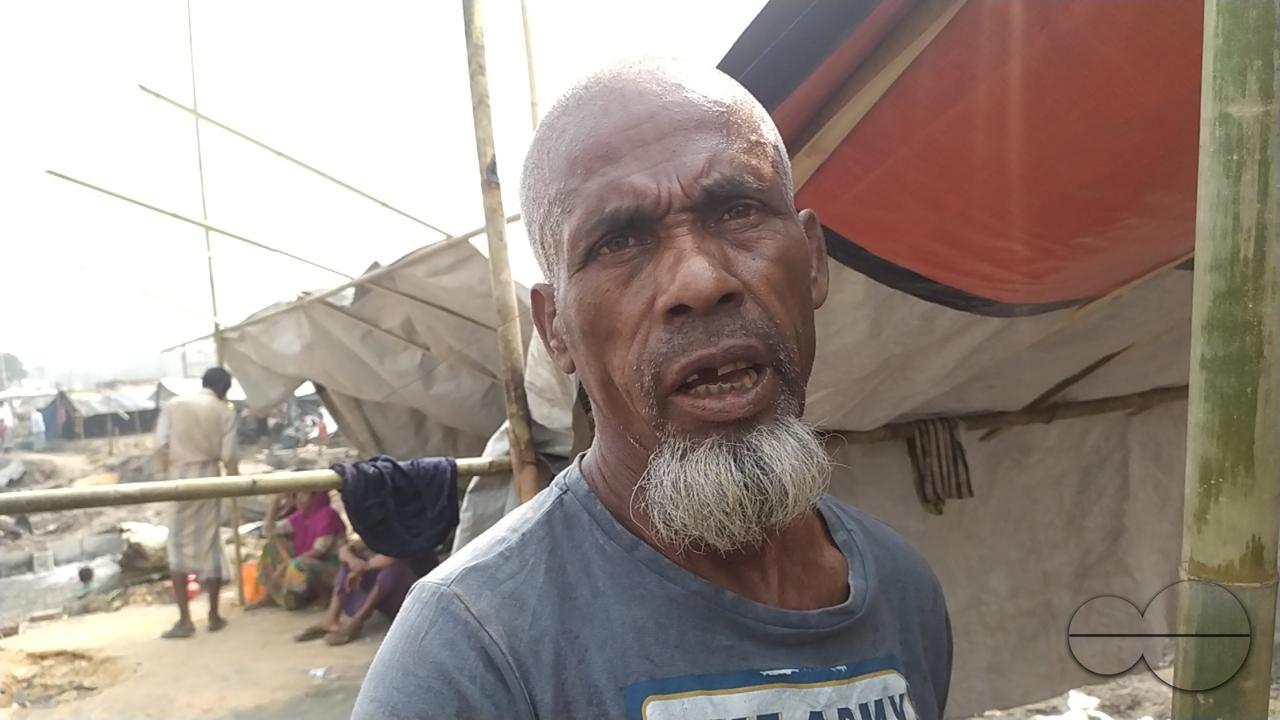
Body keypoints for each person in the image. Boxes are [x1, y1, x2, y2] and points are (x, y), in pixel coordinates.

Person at [355, 59, 952, 719]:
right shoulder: (471, 652)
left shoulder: (903, 590)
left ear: (812, 260)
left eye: (737, 209)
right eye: (620, 241)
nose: (699, 280)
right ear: (556, 330)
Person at [154, 367, 238, 638]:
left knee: (177, 546)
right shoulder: (225, 412)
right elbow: (229, 455)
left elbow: (160, 445)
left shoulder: (174, 405)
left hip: (179, 479)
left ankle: (185, 620)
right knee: (210, 543)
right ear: (224, 388)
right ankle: (213, 616)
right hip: (209, 479)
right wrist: (234, 483)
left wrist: (167, 472)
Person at [293, 538, 423, 646]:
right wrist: (353, 562)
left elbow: (395, 557)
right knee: (348, 564)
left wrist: (363, 567)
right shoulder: (378, 532)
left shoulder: (405, 529)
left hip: (409, 598)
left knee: (394, 569)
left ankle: (356, 622)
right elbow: (344, 550)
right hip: (385, 595)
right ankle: (331, 620)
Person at [251, 490, 346, 610]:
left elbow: (319, 551)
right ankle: (271, 596)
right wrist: (274, 503)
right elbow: (268, 531)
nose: (299, 498)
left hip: (333, 566)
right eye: (297, 494)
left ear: (316, 497)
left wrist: (286, 565)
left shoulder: (327, 515)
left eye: (305, 494)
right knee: (270, 548)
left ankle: (324, 597)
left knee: (300, 564)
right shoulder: (300, 517)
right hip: (314, 562)